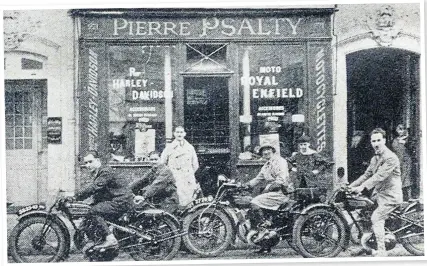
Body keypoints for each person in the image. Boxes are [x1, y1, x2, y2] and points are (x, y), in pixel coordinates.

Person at [349, 128, 403, 257]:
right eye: (374, 141)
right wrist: (350, 186)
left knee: (376, 218)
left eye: (379, 140)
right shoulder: (375, 158)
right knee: (363, 213)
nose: (376, 143)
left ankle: (382, 251)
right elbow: (366, 174)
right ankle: (367, 246)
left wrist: (362, 188)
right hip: (379, 195)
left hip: (391, 196)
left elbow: (379, 176)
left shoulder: (391, 157)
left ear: (384, 140)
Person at [75, 150, 133, 250]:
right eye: (86, 163)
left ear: (98, 161)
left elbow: (95, 187)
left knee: (94, 211)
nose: (88, 165)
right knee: (93, 209)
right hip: (117, 200)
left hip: (120, 201)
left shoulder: (105, 171)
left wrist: (76, 197)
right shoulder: (99, 172)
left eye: (90, 162)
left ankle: (110, 239)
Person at [244, 144, 291, 253]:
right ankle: (265, 245)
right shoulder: (266, 165)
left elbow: (281, 179)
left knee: (255, 201)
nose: (266, 152)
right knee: (255, 209)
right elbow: (257, 179)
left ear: (273, 151)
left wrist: (268, 188)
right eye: (264, 151)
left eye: (268, 150)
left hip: (281, 192)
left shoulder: (280, 161)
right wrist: (245, 185)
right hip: (272, 192)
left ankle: (263, 230)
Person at [160, 126, 201, 207]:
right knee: (178, 200)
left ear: (184, 134)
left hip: (188, 179)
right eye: (177, 132)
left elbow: (195, 165)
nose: (179, 134)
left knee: (189, 202)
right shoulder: (169, 148)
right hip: (175, 178)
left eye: (181, 132)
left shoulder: (190, 148)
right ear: (174, 134)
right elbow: (162, 164)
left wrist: (188, 174)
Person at [391, 124, 413, 200]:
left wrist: (406, 136)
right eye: (399, 129)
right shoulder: (395, 140)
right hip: (398, 161)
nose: (400, 131)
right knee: (398, 178)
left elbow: (409, 147)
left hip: (406, 161)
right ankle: (399, 197)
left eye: (402, 129)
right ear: (396, 130)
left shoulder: (407, 139)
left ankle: (409, 196)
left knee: (407, 178)